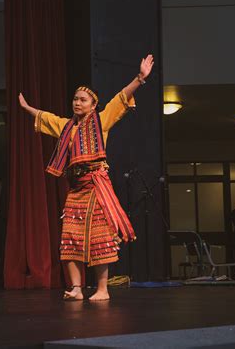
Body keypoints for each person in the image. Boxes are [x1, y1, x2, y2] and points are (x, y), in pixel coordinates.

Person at [18, 54, 154, 301]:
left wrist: (140, 79)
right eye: (75, 99)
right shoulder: (66, 127)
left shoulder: (101, 120)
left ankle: (102, 290)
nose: (77, 103)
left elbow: (121, 98)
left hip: (95, 185)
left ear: (93, 105)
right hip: (76, 189)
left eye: (83, 100)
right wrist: (28, 109)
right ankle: (77, 289)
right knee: (69, 238)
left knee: (99, 237)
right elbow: (47, 118)